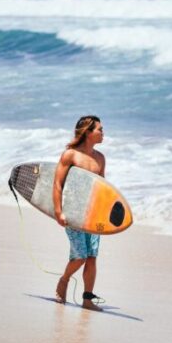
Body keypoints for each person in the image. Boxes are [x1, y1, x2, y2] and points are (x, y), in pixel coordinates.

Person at [53, 115, 105, 311]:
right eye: (100, 129)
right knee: (80, 256)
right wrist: (58, 211)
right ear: (88, 132)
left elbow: (103, 189)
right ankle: (64, 279)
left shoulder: (100, 158)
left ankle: (87, 299)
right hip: (73, 213)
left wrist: (104, 215)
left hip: (93, 215)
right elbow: (58, 184)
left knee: (92, 257)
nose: (103, 133)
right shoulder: (70, 155)